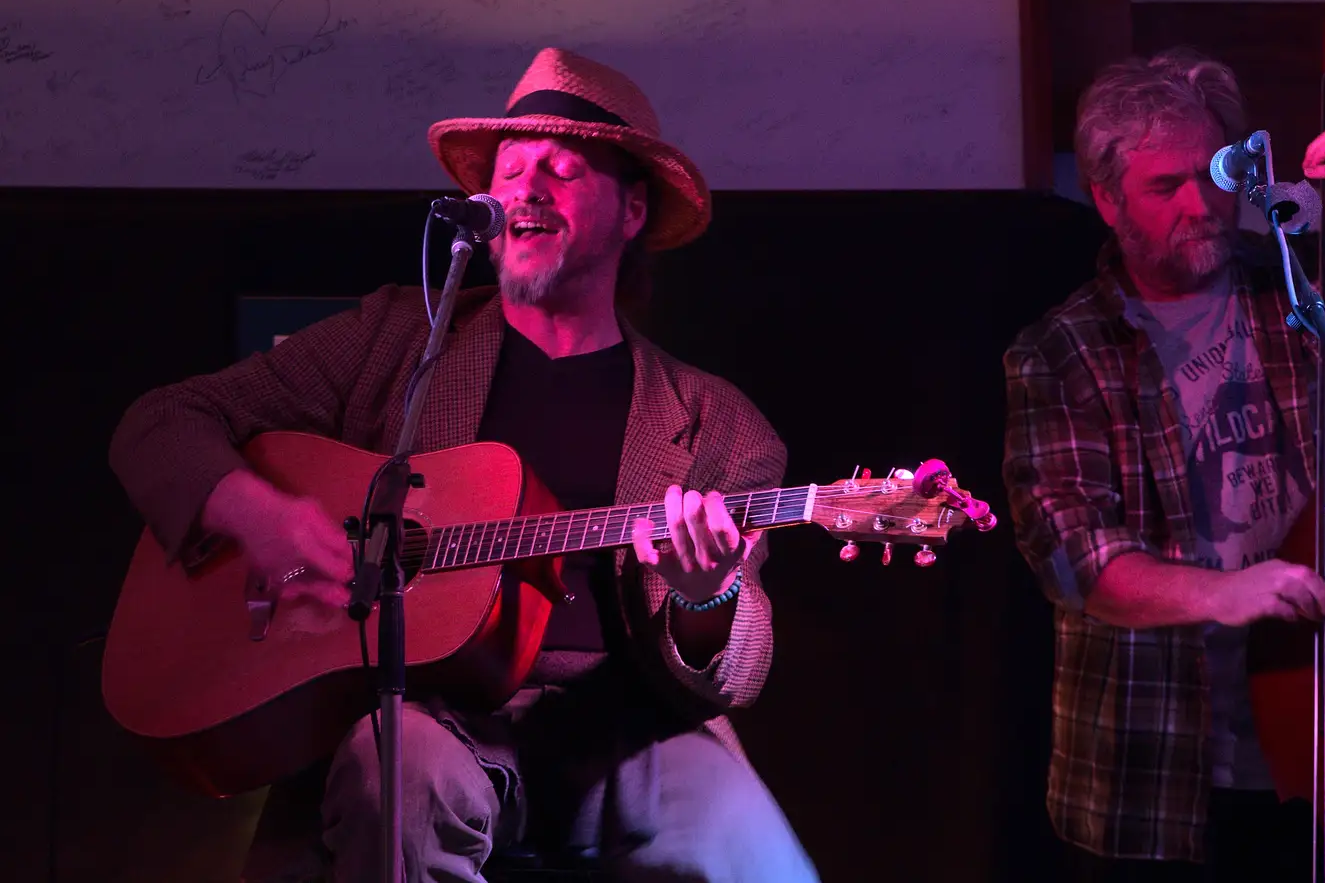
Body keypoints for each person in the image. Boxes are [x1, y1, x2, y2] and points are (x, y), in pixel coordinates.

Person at [108, 47, 820, 883]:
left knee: (763, 863)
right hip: (429, 715)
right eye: (512, 170)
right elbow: (159, 423)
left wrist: (708, 597)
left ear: (632, 211)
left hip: (634, 729)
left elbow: (740, 656)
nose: (525, 187)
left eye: (561, 168)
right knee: (397, 778)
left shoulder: (716, 421)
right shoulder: (394, 341)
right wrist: (259, 517)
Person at [1001, 48, 1325, 881]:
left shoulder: (1307, 290)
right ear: (1106, 199)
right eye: (1163, 186)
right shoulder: (1060, 351)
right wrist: (1230, 591)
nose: (1202, 205)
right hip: (1158, 767)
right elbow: (1072, 556)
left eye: (1216, 174)